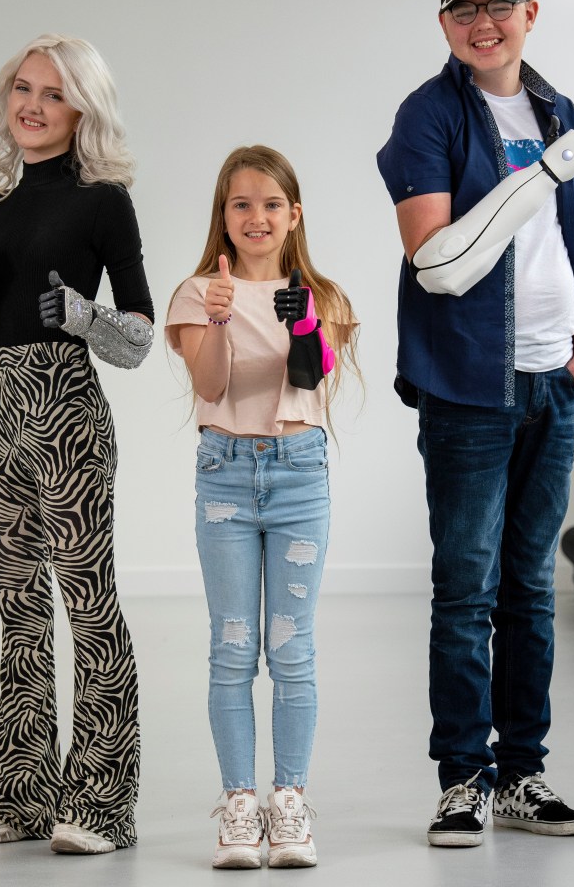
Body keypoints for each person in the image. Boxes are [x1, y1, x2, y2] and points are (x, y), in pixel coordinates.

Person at [376, 0, 574, 848]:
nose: (482, 22)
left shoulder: (559, 109)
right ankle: (462, 778)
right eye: (463, 10)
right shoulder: (427, 115)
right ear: (444, 25)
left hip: (553, 380)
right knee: (464, 588)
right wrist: (536, 174)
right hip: (468, 385)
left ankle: (523, 773)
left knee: (530, 591)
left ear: (529, 14)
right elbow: (435, 260)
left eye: (497, 6)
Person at [0, 34, 155, 855]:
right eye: (21, 88)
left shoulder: (105, 201)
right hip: (0, 414)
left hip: (68, 414)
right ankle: (20, 792)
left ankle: (102, 801)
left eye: (53, 94)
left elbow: (137, 341)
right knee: (20, 613)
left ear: (82, 110)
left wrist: (83, 315)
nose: (31, 104)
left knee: (87, 604)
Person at [165, 146, 359, 869]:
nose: (256, 217)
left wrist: (304, 324)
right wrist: (217, 319)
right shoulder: (194, 293)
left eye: (270, 204)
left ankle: (290, 802)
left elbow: (312, 379)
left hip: (297, 474)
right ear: (223, 215)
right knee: (232, 645)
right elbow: (210, 389)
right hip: (224, 474)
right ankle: (239, 806)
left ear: (293, 215)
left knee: (292, 647)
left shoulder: (325, 296)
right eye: (240, 204)